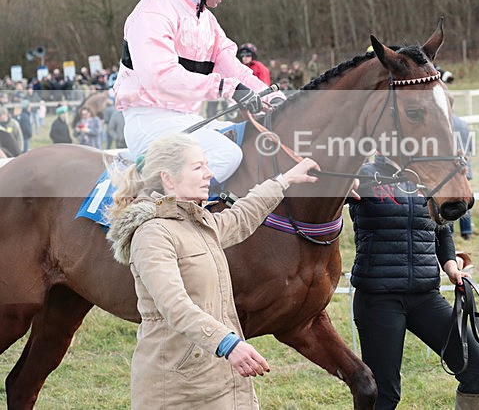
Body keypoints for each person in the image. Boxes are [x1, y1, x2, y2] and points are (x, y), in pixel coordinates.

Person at [105, 133, 319, 410]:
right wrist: (228, 344)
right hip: (176, 386)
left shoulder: (196, 222)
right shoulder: (152, 234)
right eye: (198, 167)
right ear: (168, 179)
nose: (209, 174)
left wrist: (283, 180)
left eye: (207, 165)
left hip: (218, 372)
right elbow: (174, 304)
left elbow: (240, 217)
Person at [113, 0, 283, 182]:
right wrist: (225, 87)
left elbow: (233, 69)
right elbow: (159, 78)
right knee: (227, 155)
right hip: (148, 120)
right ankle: (163, 216)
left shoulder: (208, 23)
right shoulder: (155, 10)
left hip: (187, 120)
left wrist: (275, 97)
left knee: (251, 140)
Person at [348, 155, 479, 410]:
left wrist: (450, 265)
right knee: (384, 395)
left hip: (425, 296)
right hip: (379, 298)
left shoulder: (426, 176)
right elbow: (329, 198)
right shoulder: (363, 174)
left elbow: (442, 228)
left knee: (476, 368)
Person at [451, 114, 474, 240]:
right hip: (465, 166)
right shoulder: (463, 123)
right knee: (464, 198)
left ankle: (450, 232)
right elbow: (470, 146)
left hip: (451, 168)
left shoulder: (444, 122)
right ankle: (467, 230)